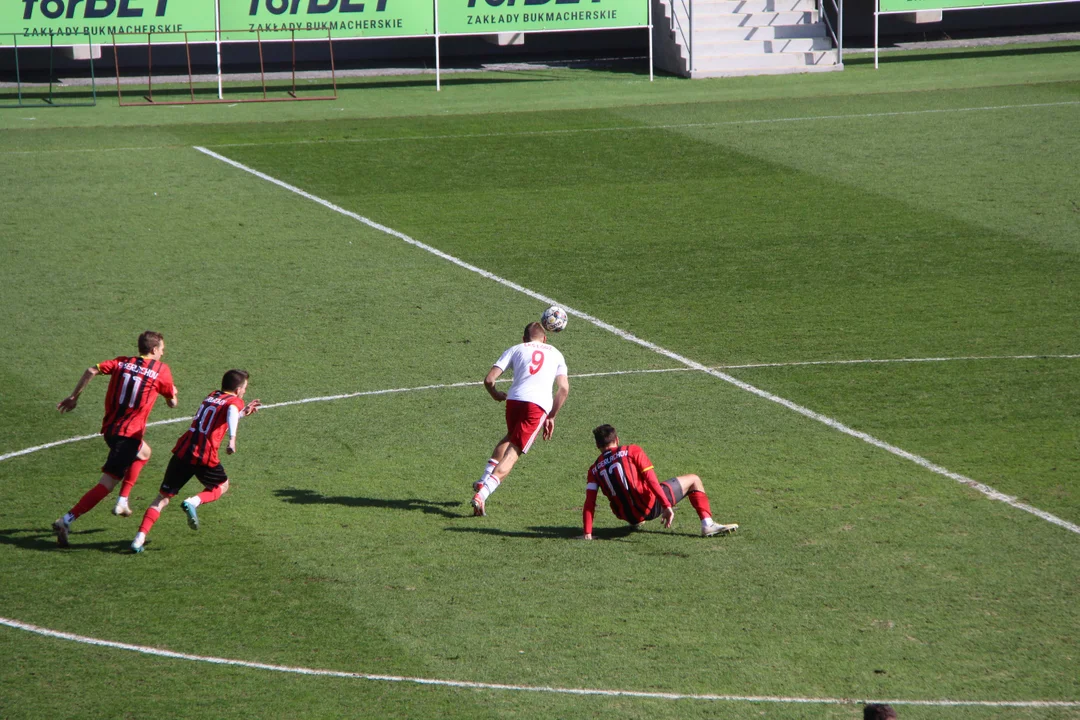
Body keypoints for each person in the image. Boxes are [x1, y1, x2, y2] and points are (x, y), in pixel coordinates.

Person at [52, 331, 178, 547]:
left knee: (144, 452)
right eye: (162, 349)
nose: (163, 353)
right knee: (107, 483)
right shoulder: (161, 370)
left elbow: (92, 369)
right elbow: (172, 403)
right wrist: (172, 392)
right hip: (128, 434)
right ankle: (67, 519)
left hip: (111, 429)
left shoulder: (122, 362)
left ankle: (123, 500)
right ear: (154, 350)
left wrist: (74, 397)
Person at [131, 369, 261, 553]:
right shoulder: (234, 401)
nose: (245, 392)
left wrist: (244, 413)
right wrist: (232, 439)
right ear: (238, 389)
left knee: (162, 497)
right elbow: (231, 411)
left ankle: (138, 538)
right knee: (222, 486)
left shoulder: (212, 396)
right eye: (245, 388)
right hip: (204, 455)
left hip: (183, 451)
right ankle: (194, 502)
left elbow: (222, 416)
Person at [471, 321, 569, 516]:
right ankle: (483, 494)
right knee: (514, 452)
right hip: (537, 406)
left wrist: (495, 394)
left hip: (514, 401)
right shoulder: (556, 353)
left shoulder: (516, 349)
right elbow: (563, 389)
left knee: (510, 436)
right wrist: (552, 415)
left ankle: (484, 478)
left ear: (524, 339)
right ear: (545, 338)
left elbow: (489, 380)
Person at [580, 424, 738, 539]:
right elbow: (651, 480)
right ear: (617, 439)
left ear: (597, 445)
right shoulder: (631, 450)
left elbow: (590, 502)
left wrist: (588, 532)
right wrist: (666, 505)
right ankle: (707, 524)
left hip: (628, 516)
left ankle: (637, 521)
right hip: (651, 507)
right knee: (694, 480)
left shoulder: (593, 469)